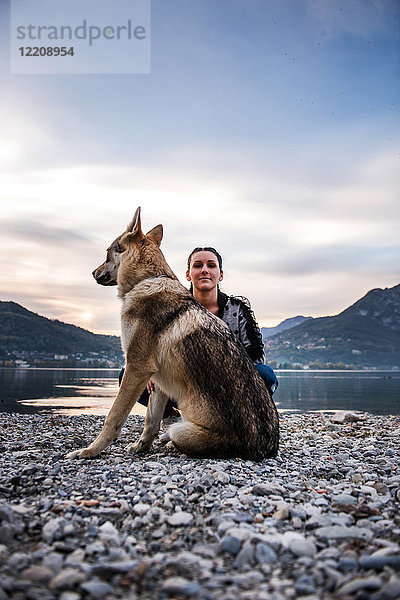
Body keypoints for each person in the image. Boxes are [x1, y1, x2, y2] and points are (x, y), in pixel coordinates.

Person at [119, 246, 278, 417]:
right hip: (182, 385)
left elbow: (257, 356)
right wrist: (153, 374)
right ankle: (171, 418)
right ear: (188, 274)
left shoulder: (237, 310)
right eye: (197, 265)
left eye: (211, 265)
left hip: (227, 386)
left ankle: (231, 420)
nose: (204, 270)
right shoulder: (170, 308)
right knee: (127, 376)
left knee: (266, 376)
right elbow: (153, 352)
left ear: (220, 274)